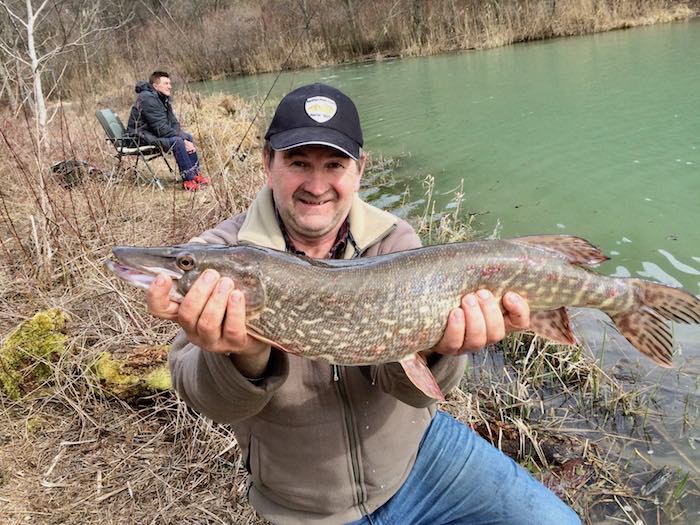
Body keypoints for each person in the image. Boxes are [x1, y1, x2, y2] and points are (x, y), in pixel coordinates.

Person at [147, 83, 581, 525]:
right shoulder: (221, 252)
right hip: (310, 506)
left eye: (334, 165)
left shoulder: (393, 241)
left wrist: (438, 351)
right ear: (268, 163)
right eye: (298, 163)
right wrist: (245, 354)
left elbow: (419, 392)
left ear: (359, 169)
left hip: (420, 455)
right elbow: (211, 403)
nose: (317, 186)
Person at [126, 71, 210, 191]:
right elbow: (161, 128)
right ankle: (188, 179)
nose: (170, 86)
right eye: (166, 83)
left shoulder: (162, 98)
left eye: (169, 83)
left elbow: (174, 123)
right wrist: (182, 140)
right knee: (178, 141)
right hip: (139, 137)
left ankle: (196, 174)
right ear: (156, 86)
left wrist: (184, 138)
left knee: (187, 137)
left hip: (151, 133)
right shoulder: (147, 99)